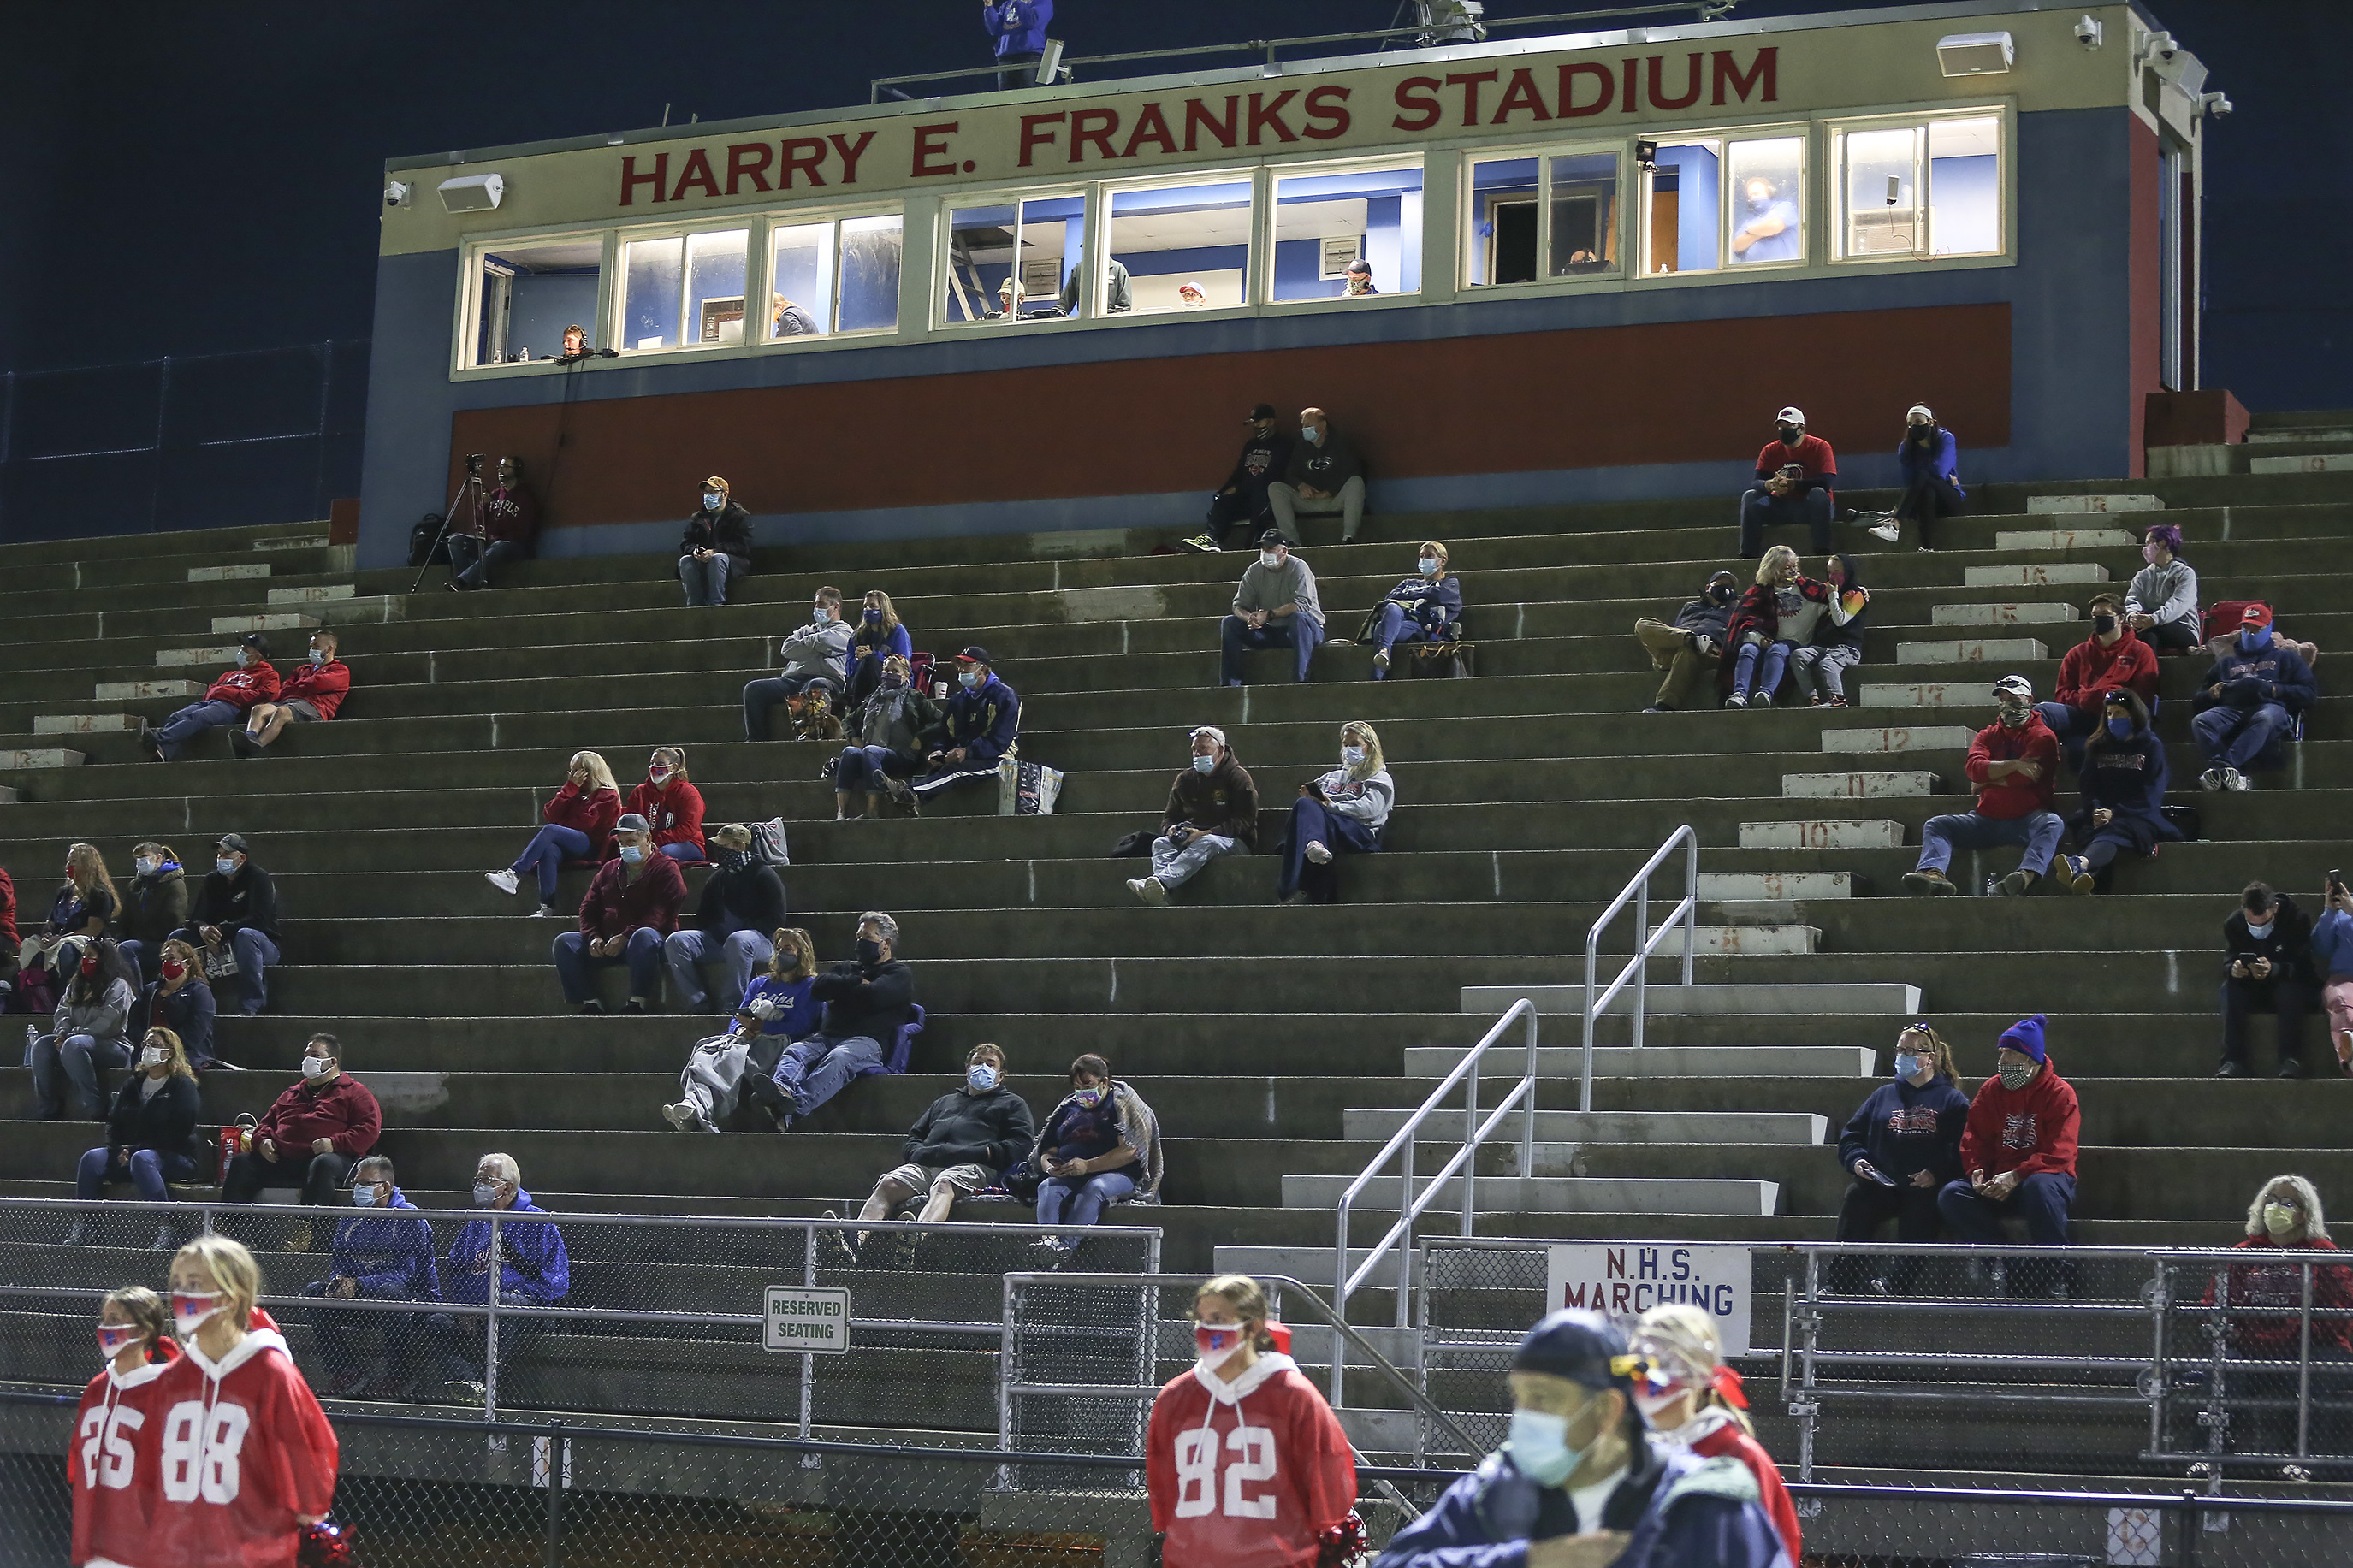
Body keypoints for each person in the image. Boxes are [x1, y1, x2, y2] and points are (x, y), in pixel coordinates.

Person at [1376, 1309, 1790, 1568]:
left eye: (1545, 1399)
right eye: (1520, 1396)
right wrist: (1528, 1561)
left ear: (1607, 1410)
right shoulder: (1497, 1490)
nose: (1526, 1416)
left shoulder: (1705, 1507)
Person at [1147, 1275, 1358, 1568]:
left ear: (1254, 1326)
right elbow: (1164, 1483)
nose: (1207, 1329)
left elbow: (1329, 1483)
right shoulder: (1175, 1397)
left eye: (1218, 1318)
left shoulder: (1292, 1395)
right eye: (1201, 1319)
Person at [148, 1237, 339, 1557]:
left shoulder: (271, 1373)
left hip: (255, 1554)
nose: (181, 1296)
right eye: (177, 1284)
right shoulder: (171, 1379)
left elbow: (310, 1461)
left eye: (194, 1285)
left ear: (233, 1298)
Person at [824, 1043, 1035, 1266]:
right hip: (928, 1163)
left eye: (990, 1064)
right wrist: (920, 1154)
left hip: (973, 1166)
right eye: (978, 1062)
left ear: (1001, 1075)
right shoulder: (944, 1103)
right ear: (967, 1069)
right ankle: (853, 1243)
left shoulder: (1013, 1104)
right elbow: (913, 1138)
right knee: (889, 1184)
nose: (982, 1067)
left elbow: (1019, 1146)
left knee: (944, 1184)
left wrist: (982, 1152)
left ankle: (914, 1237)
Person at [1627, 1305, 1803, 1566]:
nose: (1649, 1376)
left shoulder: (1738, 1454)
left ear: (1701, 1372)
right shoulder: (1623, 1450)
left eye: (1665, 1363)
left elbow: (1769, 1550)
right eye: (1640, 1363)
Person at [1936, 1016, 2080, 1289]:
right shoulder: (1992, 1090)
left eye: (2011, 1053)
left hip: (2042, 1178)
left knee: (2040, 1187)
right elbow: (1974, 1137)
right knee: (1952, 1195)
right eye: (2001, 1052)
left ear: (2031, 1058)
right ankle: (2005, 1263)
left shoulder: (2061, 1094)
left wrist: (2017, 1175)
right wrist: (1976, 1171)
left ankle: (2057, 1269)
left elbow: (2060, 1151)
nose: (2003, 1060)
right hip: (1999, 1180)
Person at [1832, 1022, 1970, 1293]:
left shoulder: (1952, 1101)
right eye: (1899, 1050)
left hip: (1924, 1187)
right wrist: (1857, 1159)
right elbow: (1851, 1136)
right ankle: (1841, 1283)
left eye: (1910, 1051)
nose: (1902, 1056)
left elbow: (1963, 1148)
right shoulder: (1882, 1095)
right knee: (1856, 1198)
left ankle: (1895, 1283)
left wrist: (1937, 1172)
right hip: (1883, 1184)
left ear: (1929, 1058)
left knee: (1925, 1211)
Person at [1901, 676, 2062, 897]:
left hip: (2028, 819)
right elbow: (1974, 769)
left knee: (2052, 823)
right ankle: (1933, 874)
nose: (2008, 705)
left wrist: (1987, 780)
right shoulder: (1988, 735)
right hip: (1986, 819)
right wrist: (2014, 764)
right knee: (1937, 825)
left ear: (2029, 700)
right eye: (2003, 700)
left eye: (2014, 699)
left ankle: (2026, 875)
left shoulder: (2043, 737)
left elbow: (2025, 779)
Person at [437, 1153, 571, 1405]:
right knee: (437, 1321)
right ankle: (469, 1384)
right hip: (478, 1308)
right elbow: (456, 1269)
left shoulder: (538, 1222)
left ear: (507, 1187)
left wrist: (498, 1298)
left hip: (526, 1309)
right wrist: (468, 1305)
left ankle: (483, 1381)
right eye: (478, 1179)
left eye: (487, 1180)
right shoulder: (476, 1222)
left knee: (503, 1304)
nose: (479, 1186)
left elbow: (556, 1283)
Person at [307, 1154, 442, 1399]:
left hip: (413, 1302)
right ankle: (346, 1372)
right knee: (314, 1292)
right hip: (362, 1297)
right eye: (357, 1183)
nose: (358, 1190)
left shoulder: (409, 1217)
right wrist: (339, 1281)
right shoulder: (351, 1217)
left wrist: (359, 1284)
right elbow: (340, 1262)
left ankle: (399, 1375)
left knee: (391, 1293)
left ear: (385, 1187)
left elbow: (405, 1275)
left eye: (366, 1184)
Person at [768, 913, 916, 1128]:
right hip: (829, 1035)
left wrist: (842, 990)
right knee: (795, 1051)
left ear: (886, 943)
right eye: (858, 937)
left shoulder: (899, 973)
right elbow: (819, 988)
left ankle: (792, 1109)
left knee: (839, 1058)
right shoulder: (849, 968)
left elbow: (874, 996)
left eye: (866, 937)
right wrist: (857, 982)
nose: (859, 942)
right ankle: (780, 1091)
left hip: (867, 1041)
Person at [69, 1286, 181, 1568]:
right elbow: (77, 1466)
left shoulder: (166, 1389)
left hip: (145, 1545)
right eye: (105, 1319)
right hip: (95, 1541)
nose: (106, 1328)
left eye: (116, 1320)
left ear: (143, 1332)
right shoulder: (97, 1388)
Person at [69, 1026, 203, 1246]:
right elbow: (114, 1121)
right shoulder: (134, 1083)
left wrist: (135, 1150)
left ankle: (170, 1227)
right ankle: (86, 1225)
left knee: (143, 1159)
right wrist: (117, 1148)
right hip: (131, 1154)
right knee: (92, 1158)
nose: (148, 1048)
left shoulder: (182, 1085)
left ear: (170, 1052)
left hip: (174, 1156)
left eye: (155, 1044)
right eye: (146, 1044)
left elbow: (181, 1127)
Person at [1028, 1054, 1164, 1268]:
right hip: (1070, 1172)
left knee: (1095, 1188)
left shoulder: (1122, 1103)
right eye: (1077, 1087)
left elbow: (1131, 1150)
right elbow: (1048, 1148)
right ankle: (1048, 1242)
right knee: (1048, 1187)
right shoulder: (1068, 1108)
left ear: (1104, 1082)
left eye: (1088, 1085)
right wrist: (1049, 1166)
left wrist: (1088, 1165)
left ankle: (1063, 1250)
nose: (1083, 1092)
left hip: (1117, 1174)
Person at [222, 1034, 382, 1206]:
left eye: (315, 1055)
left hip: (326, 1159)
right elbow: (265, 1125)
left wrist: (334, 1143)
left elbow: (369, 1129)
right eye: (306, 1055)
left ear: (333, 1062)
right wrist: (263, 1142)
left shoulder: (355, 1093)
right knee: (242, 1163)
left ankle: (310, 1227)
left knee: (324, 1164)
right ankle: (228, 1225)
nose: (308, 1060)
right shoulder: (291, 1094)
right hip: (283, 1158)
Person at [554, 814, 687, 1014]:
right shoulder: (609, 869)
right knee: (565, 943)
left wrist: (625, 937)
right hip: (608, 942)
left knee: (644, 935)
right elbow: (588, 907)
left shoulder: (667, 869)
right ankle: (590, 1002)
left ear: (648, 839)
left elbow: (657, 915)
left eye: (632, 841)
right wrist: (593, 937)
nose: (626, 847)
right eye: (622, 843)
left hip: (647, 944)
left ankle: (637, 1001)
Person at [2054, 690, 2180, 895]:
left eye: (2119, 713)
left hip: (2139, 815)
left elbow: (2153, 792)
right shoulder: (2097, 746)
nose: (2113, 718)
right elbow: (2088, 785)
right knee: (2086, 826)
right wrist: (2095, 810)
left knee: (2116, 828)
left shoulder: (2151, 746)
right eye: (2110, 713)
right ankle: (2086, 878)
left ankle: (2080, 864)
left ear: (2134, 715)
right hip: (2102, 814)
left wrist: (2116, 812)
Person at [2191, 603, 2319, 792]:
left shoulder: (2287, 659)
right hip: (2232, 709)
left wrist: (2275, 690)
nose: (2250, 633)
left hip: (2272, 707)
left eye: (2257, 628)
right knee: (2201, 721)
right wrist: (2211, 693)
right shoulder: (2226, 663)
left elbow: (2309, 694)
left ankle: (2222, 768)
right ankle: (2231, 773)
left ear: (2269, 629)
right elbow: (2198, 702)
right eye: (2246, 627)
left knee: (2265, 717)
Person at [664, 823, 787, 1012]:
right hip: (719, 941)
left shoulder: (764, 875)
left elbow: (776, 920)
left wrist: (747, 927)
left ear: (739, 846)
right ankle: (697, 1000)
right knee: (676, 941)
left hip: (759, 941)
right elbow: (703, 915)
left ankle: (735, 1002)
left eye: (725, 845)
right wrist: (715, 931)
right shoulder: (719, 877)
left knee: (738, 940)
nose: (720, 851)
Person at [1129, 725, 1258, 905]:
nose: (1197, 754)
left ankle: (1161, 882)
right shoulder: (1185, 779)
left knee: (1207, 842)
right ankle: (1160, 895)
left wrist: (1207, 833)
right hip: (1194, 835)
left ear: (1219, 750)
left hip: (1234, 840)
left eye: (1203, 749)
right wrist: (1171, 830)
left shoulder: (1238, 777)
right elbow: (1169, 817)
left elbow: (1245, 820)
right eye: (1194, 750)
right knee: (1160, 843)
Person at [487, 750, 624, 916]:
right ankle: (547, 906)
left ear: (591, 773)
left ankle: (515, 873)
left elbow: (586, 825)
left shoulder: (608, 795)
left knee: (550, 830)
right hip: (571, 843)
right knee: (550, 849)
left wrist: (561, 824)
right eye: (572, 771)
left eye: (577, 771)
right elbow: (550, 814)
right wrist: (569, 790)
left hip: (592, 845)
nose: (572, 776)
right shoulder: (573, 792)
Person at [2036, 593, 2160, 767]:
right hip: (2082, 713)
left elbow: (2143, 693)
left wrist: (2109, 698)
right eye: (2095, 616)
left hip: (2118, 716)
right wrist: (2085, 699)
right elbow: (2062, 693)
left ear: (2120, 618)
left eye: (2104, 615)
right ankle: (2035, 763)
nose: (2098, 620)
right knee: (2041, 712)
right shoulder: (2077, 653)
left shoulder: (2141, 651)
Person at [1279, 721, 1391, 906]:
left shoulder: (1379, 777)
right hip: (1329, 826)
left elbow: (1370, 809)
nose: (1349, 749)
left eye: (1355, 744)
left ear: (1369, 746)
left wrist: (1331, 805)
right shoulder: (1330, 777)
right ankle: (1314, 848)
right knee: (1304, 804)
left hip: (1358, 830)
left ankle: (1294, 882)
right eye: (1346, 745)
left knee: (1308, 824)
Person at [2216, 881, 2314, 1079]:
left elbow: (2304, 967)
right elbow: (2228, 960)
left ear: (2275, 908)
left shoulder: (2296, 920)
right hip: (2250, 986)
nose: (2258, 927)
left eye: (2264, 922)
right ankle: (2233, 1060)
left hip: (2285, 984)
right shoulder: (2234, 924)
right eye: (2252, 923)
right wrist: (2233, 969)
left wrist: (2275, 969)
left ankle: (2291, 1058)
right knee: (2229, 989)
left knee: (2290, 990)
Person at [175, 833, 280, 1015]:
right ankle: (181, 1000)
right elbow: (195, 918)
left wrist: (222, 931)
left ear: (242, 858)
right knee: (177, 938)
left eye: (227, 855)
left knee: (246, 935)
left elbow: (259, 920)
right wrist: (203, 929)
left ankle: (251, 1005)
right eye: (219, 855)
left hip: (261, 945)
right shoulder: (212, 880)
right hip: (218, 941)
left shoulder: (259, 878)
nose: (221, 859)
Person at [834, 654, 945, 819]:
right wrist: (853, 737)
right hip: (870, 755)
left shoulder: (914, 698)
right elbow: (848, 721)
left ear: (906, 675)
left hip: (902, 756)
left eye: (895, 671)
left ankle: (872, 810)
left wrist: (921, 737)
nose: (889, 673)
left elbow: (941, 720)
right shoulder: (872, 699)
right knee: (850, 752)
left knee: (871, 751)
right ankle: (841, 812)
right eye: (886, 670)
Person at [30, 949, 136, 1121]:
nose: (86, 960)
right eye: (84, 956)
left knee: (74, 1044)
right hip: (75, 1042)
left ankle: (96, 1107)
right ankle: (48, 1108)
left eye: (91, 957)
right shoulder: (76, 984)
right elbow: (63, 1012)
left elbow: (109, 1023)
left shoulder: (119, 986)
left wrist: (74, 1035)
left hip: (113, 1045)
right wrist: (63, 1032)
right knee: (41, 1046)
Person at [139, 633, 278, 761]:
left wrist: (229, 694)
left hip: (233, 707)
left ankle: (159, 739)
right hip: (211, 702)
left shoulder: (269, 674)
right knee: (176, 717)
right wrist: (220, 692)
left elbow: (266, 695)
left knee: (198, 717)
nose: (242, 652)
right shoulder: (229, 674)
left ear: (258, 654)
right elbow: (211, 690)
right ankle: (163, 753)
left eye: (246, 649)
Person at [743, 586, 856, 740]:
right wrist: (819, 646)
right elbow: (787, 649)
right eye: (815, 604)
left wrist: (806, 644)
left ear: (835, 607)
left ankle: (811, 738)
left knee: (815, 686)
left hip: (826, 681)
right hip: (792, 681)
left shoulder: (845, 632)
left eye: (821, 604)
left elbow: (831, 641)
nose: (816, 608)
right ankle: (756, 739)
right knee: (753, 689)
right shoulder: (806, 630)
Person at [1723, 547, 1828, 710]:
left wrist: (1858, 592)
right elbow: (1743, 623)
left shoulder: (1808, 588)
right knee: (1747, 649)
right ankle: (1739, 694)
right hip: (1765, 639)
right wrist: (1759, 639)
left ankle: (1766, 693)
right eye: (1787, 568)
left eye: (1794, 567)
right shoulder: (1759, 592)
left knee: (1777, 650)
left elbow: (1837, 594)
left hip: (1794, 642)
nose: (1792, 571)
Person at [910, 648, 1021, 801]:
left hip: (998, 758)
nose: (961, 670)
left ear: (982, 667)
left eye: (967, 665)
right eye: (959, 666)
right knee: (937, 771)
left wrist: (967, 752)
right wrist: (939, 751)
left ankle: (911, 792)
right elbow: (946, 733)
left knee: (955, 771)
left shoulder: (1004, 696)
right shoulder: (958, 699)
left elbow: (1000, 740)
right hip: (965, 756)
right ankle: (909, 801)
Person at [665, 999, 790, 1133]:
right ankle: (693, 1108)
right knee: (702, 1056)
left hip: (774, 1043)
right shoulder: (758, 984)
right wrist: (740, 1029)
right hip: (744, 1040)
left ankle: (695, 1109)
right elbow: (736, 1018)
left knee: (728, 1060)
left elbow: (805, 1025)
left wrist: (763, 1026)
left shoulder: (806, 987)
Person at [1184, 404, 1295, 553]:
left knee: (1261, 499)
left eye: (1259, 422)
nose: (1256, 426)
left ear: (1271, 421)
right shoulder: (1251, 445)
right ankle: (1211, 538)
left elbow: (1275, 475)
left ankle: (1251, 546)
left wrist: (1240, 487)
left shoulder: (1283, 444)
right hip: (1245, 496)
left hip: (1266, 498)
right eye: (1254, 423)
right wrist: (1223, 490)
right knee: (1223, 502)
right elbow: (1239, 472)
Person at [1221, 532, 1326, 687]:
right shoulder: (1254, 571)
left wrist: (1269, 614)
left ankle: (1301, 680)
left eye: (1270, 549)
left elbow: (1301, 605)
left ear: (1284, 551)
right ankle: (1230, 683)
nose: (1265, 553)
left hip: (1306, 631)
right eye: (1263, 549)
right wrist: (1249, 617)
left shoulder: (1298, 567)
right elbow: (1238, 605)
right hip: (1271, 632)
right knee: (1229, 623)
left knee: (1298, 618)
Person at [21, 841, 121, 993]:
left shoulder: (99, 894)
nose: (69, 865)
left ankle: (66, 994)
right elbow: (51, 921)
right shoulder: (64, 892)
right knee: (31, 947)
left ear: (87, 865)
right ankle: (39, 997)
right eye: (68, 861)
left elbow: (92, 930)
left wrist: (60, 939)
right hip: (59, 939)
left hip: (85, 941)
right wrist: (48, 934)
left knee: (66, 950)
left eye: (74, 861)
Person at [1738, 406, 1835, 558]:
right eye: (1780, 427)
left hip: (1808, 507)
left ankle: (1822, 551)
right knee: (1750, 497)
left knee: (1819, 494)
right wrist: (1769, 485)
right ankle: (1748, 554)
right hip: (1779, 507)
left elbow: (1826, 481)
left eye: (1789, 426)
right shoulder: (1770, 450)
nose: (1783, 430)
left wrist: (1792, 485)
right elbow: (1756, 482)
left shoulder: (1820, 447)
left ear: (1801, 428)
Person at [235, 629, 350, 755]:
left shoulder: (340, 670)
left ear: (329, 649)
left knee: (282, 712)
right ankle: (248, 738)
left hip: (315, 707)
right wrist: (304, 684)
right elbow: (284, 688)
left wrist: (299, 685)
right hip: (289, 702)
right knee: (259, 709)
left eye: (316, 646)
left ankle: (257, 745)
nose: (312, 649)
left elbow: (318, 684)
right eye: (311, 646)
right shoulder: (303, 669)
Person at [1636, 570, 1737, 714]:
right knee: (1643, 624)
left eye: (1728, 585)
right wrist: (1687, 638)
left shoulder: (1736, 609)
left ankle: (1665, 705)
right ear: (1708, 586)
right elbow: (1674, 630)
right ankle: (1691, 640)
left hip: (1709, 651)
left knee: (1689, 651)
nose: (1723, 587)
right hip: (1675, 648)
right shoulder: (1691, 606)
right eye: (1719, 583)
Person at [1266, 407, 1368, 544]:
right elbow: (1290, 473)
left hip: (1334, 499)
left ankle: (1348, 538)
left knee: (1356, 483)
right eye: (1303, 425)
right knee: (1275, 488)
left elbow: (1353, 471)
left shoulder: (1340, 443)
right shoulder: (1301, 447)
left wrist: (1329, 491)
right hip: (1308, 500)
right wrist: (1300, 485)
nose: (1305, 428)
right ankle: (1292, 541)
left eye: (1309, 425)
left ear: (1323, 425)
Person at [1870, 405, 1965, 550]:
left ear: (1931, 422)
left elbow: (1940, 470)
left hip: (1949, 499)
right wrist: (1943, 476)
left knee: (1922, 476)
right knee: (1926, 490)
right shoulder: (1905, 448)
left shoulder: (1946, 438)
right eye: (1910, 424)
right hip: (1922, 500)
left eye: (1919, 422)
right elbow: (1910, 481)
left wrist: (1928, 474)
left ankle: (1895, 524)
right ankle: (1926, 548)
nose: (1914, 427)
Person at [1366, 541, 1462, 679]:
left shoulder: (1450, 583)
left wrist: (1411, 594)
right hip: (1404, 622)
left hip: (1427, 628)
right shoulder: (1408, 583)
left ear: (1443, 560)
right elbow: (1390, 598)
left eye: (1429, 556)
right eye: (1421, 556)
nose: (1424, 560)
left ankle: (1376, 677)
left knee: (1381, 628)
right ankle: (1384, 652)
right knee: (1390, 611)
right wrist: (1424, 592)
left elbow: (1439, 594)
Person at [1787, 553, 1868, 707]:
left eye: (1837, 572)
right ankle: (1812, 698)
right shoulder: (1828, 591)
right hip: (1825, 647)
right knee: (1798, 656)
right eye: (1830, 572)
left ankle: (1838, 698)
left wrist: (1833, 596)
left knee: (1828, 664)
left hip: (1847, 648)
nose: (1833, 576)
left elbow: (1840, 621)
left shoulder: (1856, 595)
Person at [448, 454, 539, 589]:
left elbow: (523, 530)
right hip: (491, 544)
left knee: (499, 546)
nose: (500, 471)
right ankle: (470, 582)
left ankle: (463, 581)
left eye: (506, 467)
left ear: (516, 470)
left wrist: (499, 530)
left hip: (513, 546)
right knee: (455, 541)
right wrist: (484, 506)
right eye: (499, 467)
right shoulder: (494, 495)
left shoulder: (525, 498)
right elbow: (479, 523)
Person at [130, 938, 221, 1071]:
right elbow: (133, 1022)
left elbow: (196, 1030)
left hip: (188, 1054)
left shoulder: (200, 991)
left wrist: (168, 1048)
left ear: (188, 963)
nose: (167, 963)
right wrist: (148, 1043)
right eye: (164, 960)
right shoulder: (151, 990)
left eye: (172, 958)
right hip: (148, 1052)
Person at [2119, 523, 2200, 654]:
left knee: (2148, 631)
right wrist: (2133, 615)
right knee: (2147, 635)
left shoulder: (2185, 573)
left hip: (2182, 629)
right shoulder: (2142, 576)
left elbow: (2179, 603)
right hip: (2149, 626)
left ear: (2163, 543)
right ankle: (2148, 672)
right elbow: (2133, 599)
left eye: (2148, 543)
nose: (2145, 549)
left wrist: (2153, 619)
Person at [117, 841, 190, 984]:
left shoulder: (174, 884)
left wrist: (140, 937)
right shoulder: (136, 885)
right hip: (136, 941)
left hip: (160, 944)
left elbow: (173, 919)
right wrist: (119, 938)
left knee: (127, 948)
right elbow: (124, 919)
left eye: (144, 857)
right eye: (137, 859)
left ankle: (136, 996)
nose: (140, 862)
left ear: (158, 857)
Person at [623, 745, 707, 862]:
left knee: (659, 855)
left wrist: (654, 841)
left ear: (673, 767)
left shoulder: (688, 793)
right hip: (647, 842)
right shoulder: (639, 792)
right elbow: (632, 821)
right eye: (652, 763)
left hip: (688, 843)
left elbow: (688, 829)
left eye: (660, 763)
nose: (654, 767)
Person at [679, 475, 754, 606]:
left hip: (733, 562)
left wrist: (715, 551)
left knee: (717, 559)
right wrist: (695, 551)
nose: (708, 496)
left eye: (713, 492)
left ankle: (716, 603)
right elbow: (686, 542)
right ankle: (694, 605)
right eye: (706, 493)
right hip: (703, 561)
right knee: (685, 561)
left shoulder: (739, 516)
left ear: (724, 495)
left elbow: (743, 546)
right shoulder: (698, 518)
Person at [845, 588, 915, 707]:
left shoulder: (897, 631)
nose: (868, 610)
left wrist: (873, 655)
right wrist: (858, 659)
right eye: (865, 607)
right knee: (866, 664)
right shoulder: (858, 635)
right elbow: (848, 670)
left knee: (871, 661)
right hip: (861, 682)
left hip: (891, 680)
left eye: (873, 606)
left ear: (883, 608)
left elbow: (902, 663)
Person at [2319, 873, 2353, 1074]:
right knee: (2341, 1002)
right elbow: (2321, 948)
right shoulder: (2342, 910)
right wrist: (2329, 913)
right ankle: (2349, 1058)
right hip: (2344, 979)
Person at [984, 0, 1053, 92]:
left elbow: (1030, 22)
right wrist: (989, 6)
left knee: (1029, 97)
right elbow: (994, 29)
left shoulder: (1043, 2)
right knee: (1006, 100)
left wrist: (1019, 2)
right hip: (1005, 59)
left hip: (1029, 58)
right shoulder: (1007, 4)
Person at [1730, 175, 1799, 263]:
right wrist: (1764, 232)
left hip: (1785, 270)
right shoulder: (1749, 221)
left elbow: (1775, 226)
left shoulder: (1784, 207)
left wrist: (1749, 232)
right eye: (1750, 196)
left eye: (1756, 194)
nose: (1753, 198)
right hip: (1754, 273)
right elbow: (1737, 245)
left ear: (1770, 192)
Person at [1059, 250, 1134, 315]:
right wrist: (1055, 313)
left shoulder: (1118, 269)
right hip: (1085, 321)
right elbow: (1065, 301)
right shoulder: (1079, 269)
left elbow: (1124, 305)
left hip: (1111, 322)